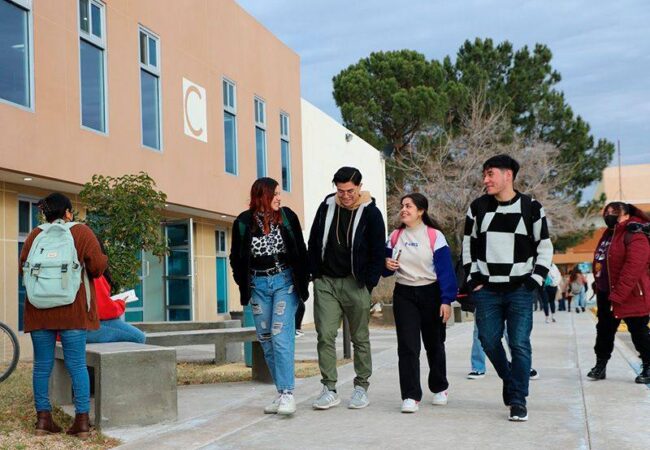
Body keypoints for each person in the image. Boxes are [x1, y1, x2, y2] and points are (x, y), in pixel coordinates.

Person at [462, 154, 553, 422]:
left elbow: (544, 247)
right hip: (487, 290)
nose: (485, 180)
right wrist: (473, 280)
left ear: (508, 175)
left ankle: (518, 400)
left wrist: (534, 281)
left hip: (520, 290)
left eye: (490, 174)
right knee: (488, 340)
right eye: (484, 174)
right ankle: (510, 378)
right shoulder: (477, 207)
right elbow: (468, 245)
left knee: (519, 344)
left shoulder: (531, 207)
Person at [20, 193, 107, 438]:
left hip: (39, 310)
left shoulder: (35, 235)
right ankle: (82, 422)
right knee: (77, 365)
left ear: (45, 214)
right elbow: (97, 268)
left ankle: (43, 420)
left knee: (41, 366)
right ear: (68, 212)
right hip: (72, 310)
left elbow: (23, 268)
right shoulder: (81, 232)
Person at [230, 178, 309, 415]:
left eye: (279, 193)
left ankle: (288, 393)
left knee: (280, 335)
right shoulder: (243, 222)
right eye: (275, 194)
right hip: (258, 286)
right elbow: (235, 257)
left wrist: (304, 281)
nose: (279, 198)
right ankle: (281, 392)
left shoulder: (287, 217)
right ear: (262, 196)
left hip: (284, 282)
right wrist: (243, 283)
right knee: (265, 339)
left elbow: (300, 249)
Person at [308, 167, 386, 410]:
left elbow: (378, 251)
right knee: (325, 335)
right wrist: (315, 275)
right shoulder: (326, 207)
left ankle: (361, 387)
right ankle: (329, 388)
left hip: (356, 283)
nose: (345, 196)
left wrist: (368, 284)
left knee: (360, 338)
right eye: (340, 191)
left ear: (359, 187)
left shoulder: (371, 213)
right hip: (326, 282)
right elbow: (314, 240)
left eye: (350, 191)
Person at [383, 193, 457, 413]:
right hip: (404, 294)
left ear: (421, 211)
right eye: (402, 206)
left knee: (434, 344)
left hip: (431, 293)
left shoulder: (434, 236)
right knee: (407, 346)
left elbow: (446, 271)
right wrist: (385, 264)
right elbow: (384, 269)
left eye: (409, 206)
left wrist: (446, 300)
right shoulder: (395, 236)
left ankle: (440, 387)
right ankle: (410, 395)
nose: (403, 209)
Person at [587, 202, 650, 384]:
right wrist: (599, 284)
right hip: (607, 293)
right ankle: (600, 365)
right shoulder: (608, 234)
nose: (609, 214)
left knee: (639, 332)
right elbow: (601, 261)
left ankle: (648, 366)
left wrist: (618, 295)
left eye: (614, 211)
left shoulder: (635, 235)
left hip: (631, 295)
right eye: (606, 211)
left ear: (626, 214)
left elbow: (633, 268)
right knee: (604, 331)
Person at [85, 265, 146, 344]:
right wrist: (121, 303)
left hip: (76, 324)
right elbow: (104, 310)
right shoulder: (93, 272)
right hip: (86, 327)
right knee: (139, 337)